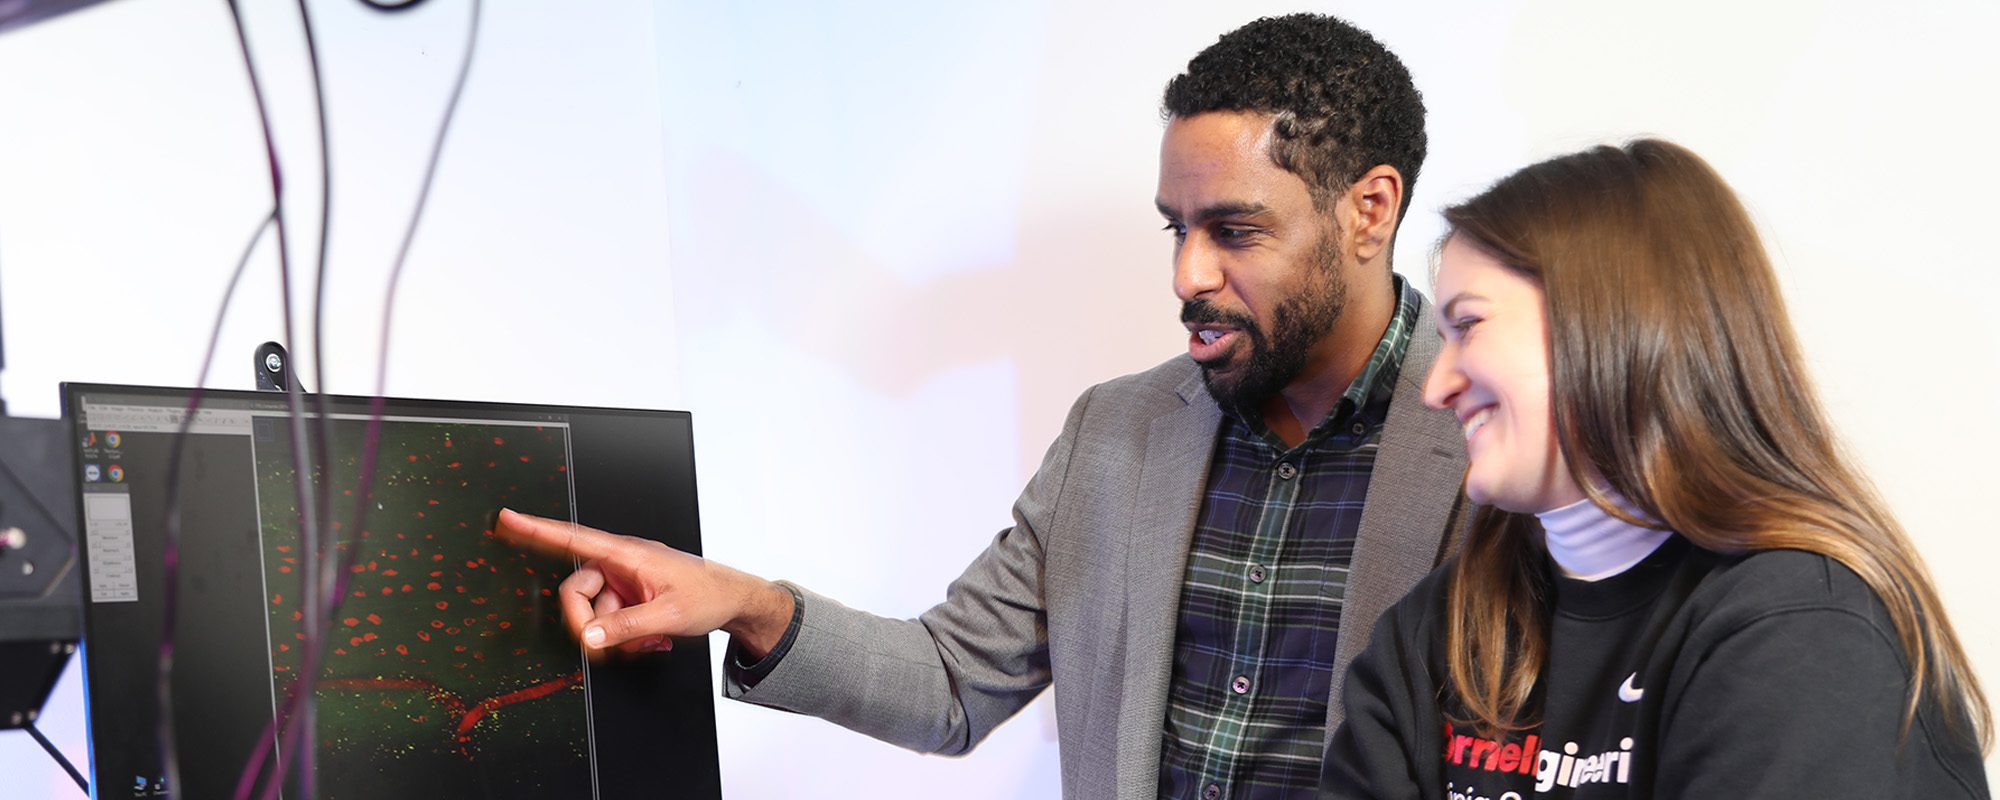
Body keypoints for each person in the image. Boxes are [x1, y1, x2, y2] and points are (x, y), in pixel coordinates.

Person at [499, 14, 1470, 798]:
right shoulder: (1119, 431)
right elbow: (949, 681)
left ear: (1368, 209)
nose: (1185, 272)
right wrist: (746, 604)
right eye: (1175, 228)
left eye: (1232, 230)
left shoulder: (1504, 442)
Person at [1322, 139, 1993, 798]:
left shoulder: (1802, 632)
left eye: (1468, 327)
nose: (1435, 388)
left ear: (1611, 323)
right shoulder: (1445, 624)